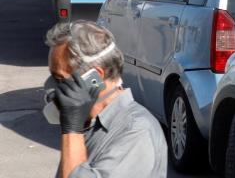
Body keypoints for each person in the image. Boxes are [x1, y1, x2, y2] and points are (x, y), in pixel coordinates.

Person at [44, 21, 166, 178]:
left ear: (94, 78)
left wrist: (72, 129)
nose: (51, 88)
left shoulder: (136, 131)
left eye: (59, 78)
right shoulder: (90, 124)